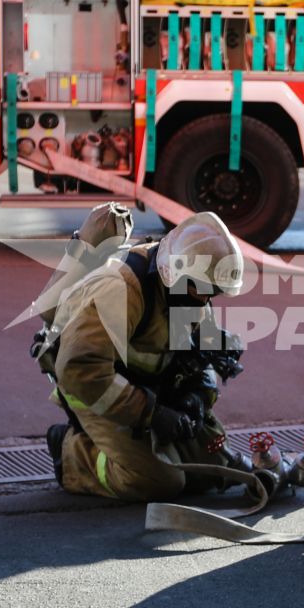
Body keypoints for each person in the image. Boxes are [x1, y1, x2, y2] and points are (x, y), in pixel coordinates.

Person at [42, 211, 249, 502]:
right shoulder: (121, 289)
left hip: (148, 388)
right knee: (158, 482)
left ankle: (142, 444)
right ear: (173, 272)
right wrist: (151, 414)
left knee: (212, 470)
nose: (205, 299)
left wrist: (197, 396)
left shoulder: (187, 289)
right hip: (93, 391)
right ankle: (73, 454)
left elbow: (201, 351)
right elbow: (81, 370)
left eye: (213, 292)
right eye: (203, 290)